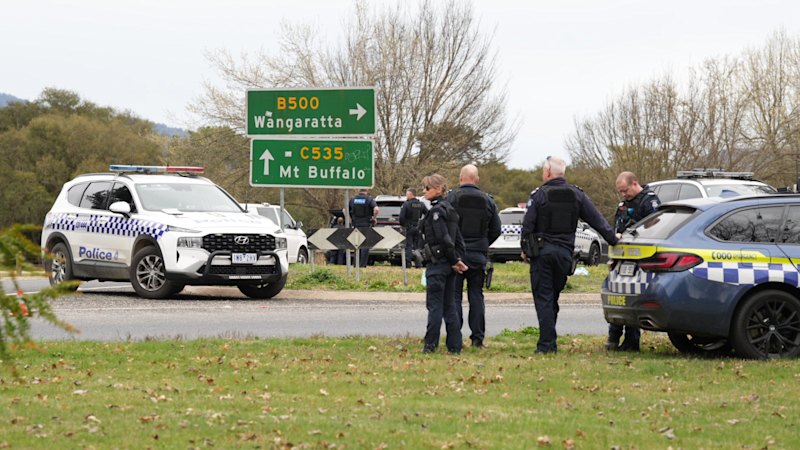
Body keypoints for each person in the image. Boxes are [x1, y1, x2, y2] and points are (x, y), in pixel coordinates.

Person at [521, 156, 618, 354]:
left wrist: (525, 250)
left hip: (543, 254)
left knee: (544, 299)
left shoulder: (539, 195)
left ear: (548, 172)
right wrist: (614, 239)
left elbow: (528, 226)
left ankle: (546, 345)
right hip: (564, 256)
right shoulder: (577, 195)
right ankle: (549, 341)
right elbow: (596, 220)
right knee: (552, 297)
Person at [445, 164, 501, 348]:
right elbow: (496, 229)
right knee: (476, 295)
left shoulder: (451, 198)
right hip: (478, 256)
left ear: (461, 178)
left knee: (454, 296)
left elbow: (444, 226)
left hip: (456, 256)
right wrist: (483, 244)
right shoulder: (488, 200)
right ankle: (478, 338)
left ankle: (455, 337)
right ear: (476, 179)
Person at [606, 171, 661, 351]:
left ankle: (631, 342)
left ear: (634, 183)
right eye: (620, 192)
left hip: (638, 257)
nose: (623, 195)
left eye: (625, 190)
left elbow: (654, 227)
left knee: (632, 299)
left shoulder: (649, 201)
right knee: (617, 297)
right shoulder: (624, 203)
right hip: (622, 256)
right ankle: (613, 338)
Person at [419, 174, 468, 354]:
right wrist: (458, 260)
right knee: (450, 307)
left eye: (427, 188)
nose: (424, 191)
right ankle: (455, 346)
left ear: (438, 189)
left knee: (435, 306)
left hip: (438, 264)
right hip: (450, 266)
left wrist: (455, 260)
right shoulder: (451, 210)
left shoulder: (436, 212)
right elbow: (459, 240)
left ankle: (430, 345)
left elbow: (445, 239)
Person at [348, 188, 378, 267]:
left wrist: (350, 219)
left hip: (356, 224)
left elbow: (345, 210)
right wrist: (374, 218)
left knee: (357, 244)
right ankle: (363, 264)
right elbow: (376, 209)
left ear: (359, 190)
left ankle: (356, 264)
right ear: (366, 191)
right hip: (366, 225)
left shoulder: (352, 199)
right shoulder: (369, 199)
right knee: (365, 244)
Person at [399, 188, 427, 268]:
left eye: (407, 194)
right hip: (418, 228)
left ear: (411, 194)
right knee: (417, 246)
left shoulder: (406, 204)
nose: (406, 196)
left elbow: (401, 218)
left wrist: (404, 225)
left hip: (409, 227)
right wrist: (422, 223)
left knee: (408, 246)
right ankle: (418, 264)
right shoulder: (421, 204)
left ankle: (408, 264)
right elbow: (428, 214)